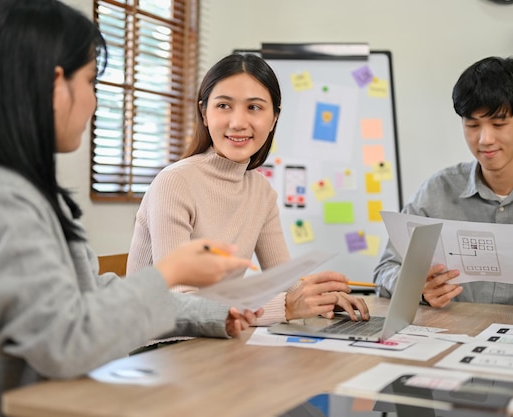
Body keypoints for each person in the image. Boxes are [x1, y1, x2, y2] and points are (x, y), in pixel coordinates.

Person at [0, 1, 261, 416]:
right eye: (91, 82)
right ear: (55, 84)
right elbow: (65, 341)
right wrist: (169, 273)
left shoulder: (24, 190)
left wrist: (212, 315)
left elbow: (89, 295)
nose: (94, 103)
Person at [127, 53, 370, 325]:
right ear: (204, 114)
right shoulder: (175, 182)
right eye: (223, 106)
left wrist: (320, 297)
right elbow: (178, 300)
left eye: (254, 107)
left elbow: (284, 282)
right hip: (158, 346)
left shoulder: (261, 192)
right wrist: (287, 307)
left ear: (274, 118)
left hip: (216, 341)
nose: (238, 122)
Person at [374, 56, 513, 309]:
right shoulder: (438, 191)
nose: (485, 139)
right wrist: (418, 289)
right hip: (457, 339)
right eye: (472, 125)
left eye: (499, 124)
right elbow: (386, 270)